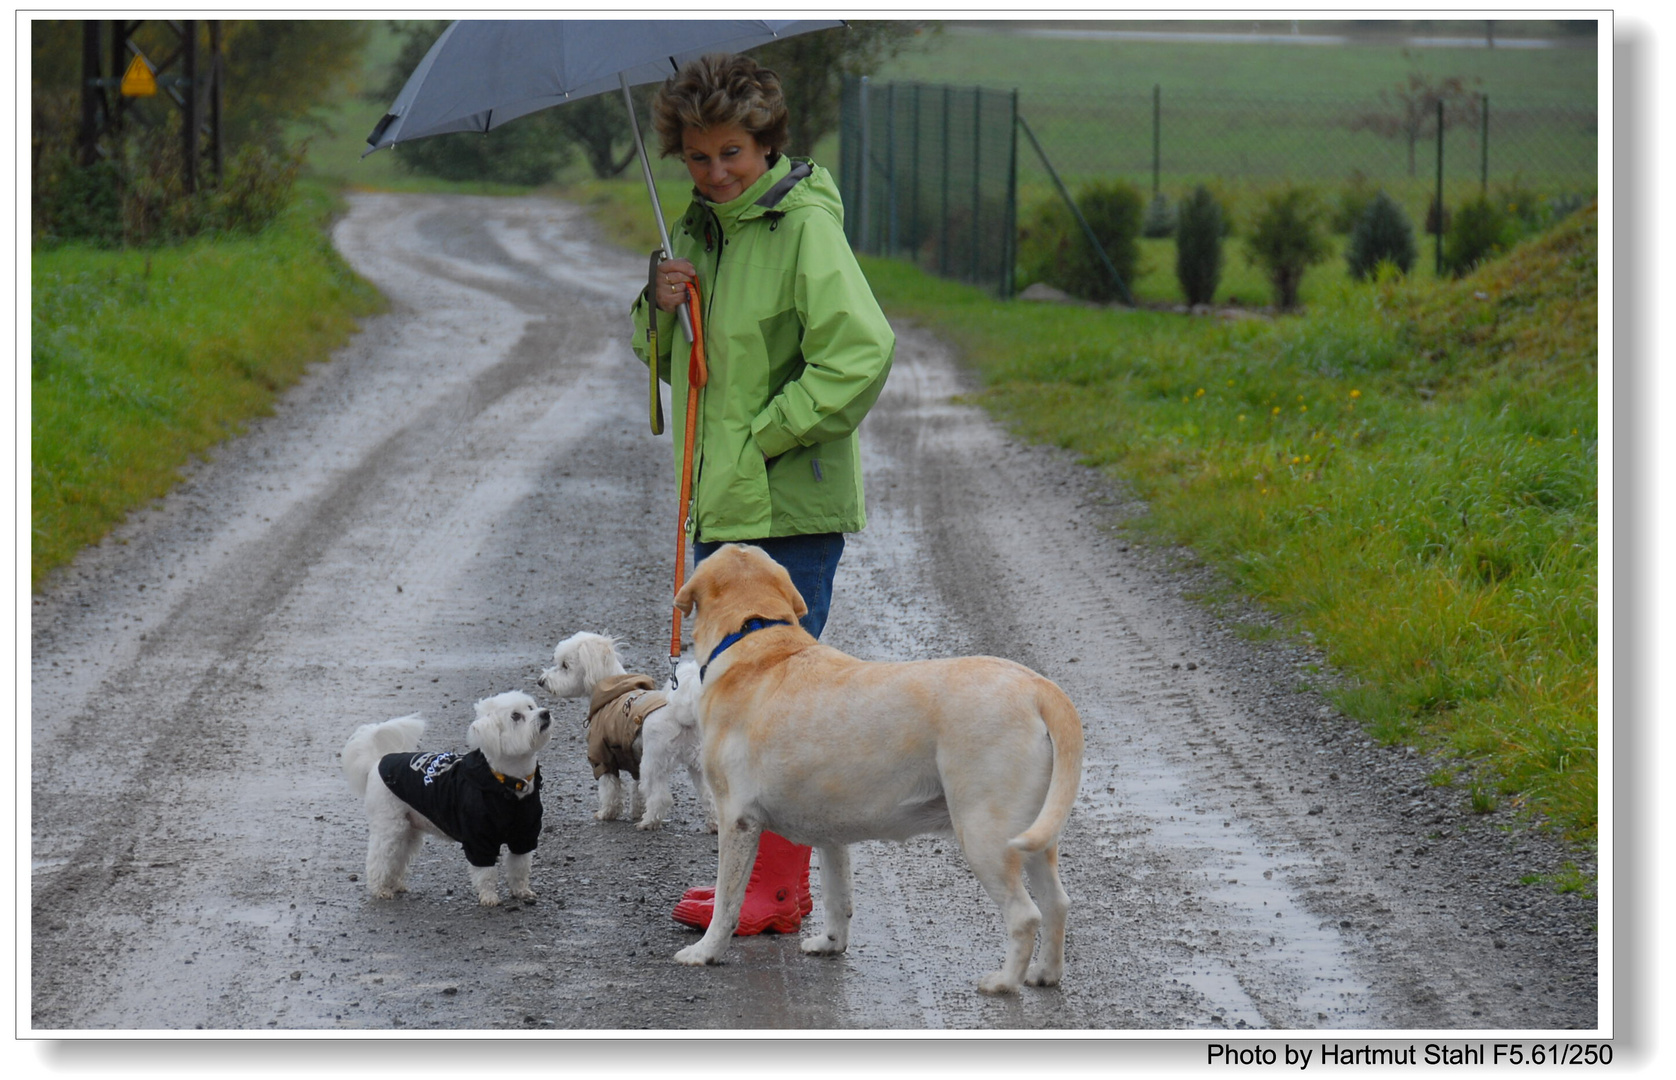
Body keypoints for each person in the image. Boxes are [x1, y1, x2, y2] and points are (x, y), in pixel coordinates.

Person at [630, 52, 894, 936]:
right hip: (722, 508)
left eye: (733, 153)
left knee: (779, 707)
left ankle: (776, 891)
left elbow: (860, 352)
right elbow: (680, 366)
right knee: (734, 704)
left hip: (789, 515)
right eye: (699, 158)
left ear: (766, 142)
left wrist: (764, 435)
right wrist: (657, 305)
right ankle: (760, 880)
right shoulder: (701, 233)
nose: (715, 173)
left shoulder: (801, 227)